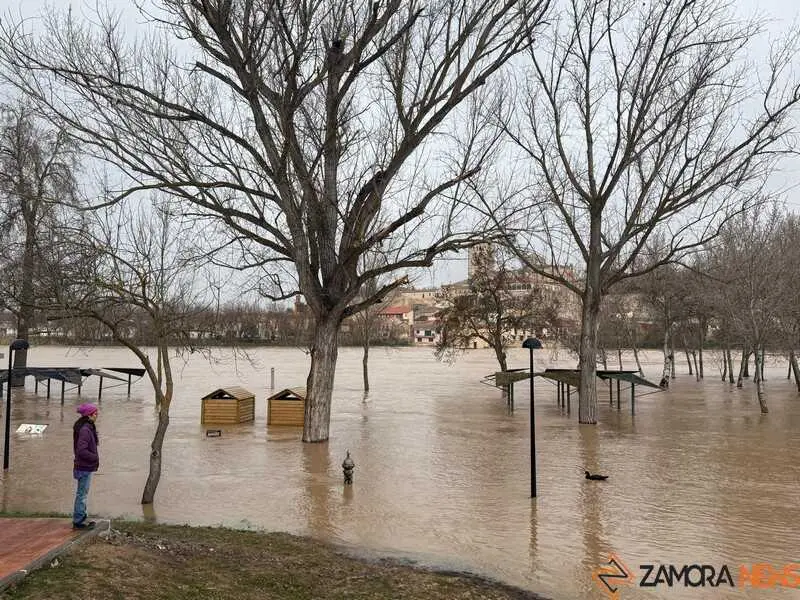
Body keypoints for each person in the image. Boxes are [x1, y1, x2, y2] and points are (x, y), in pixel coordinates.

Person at [72, 403, 99, 530]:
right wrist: (94, 457)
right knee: (82, 494)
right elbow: (81, 450)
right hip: (84, 467)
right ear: (89, 415)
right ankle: (79, 520)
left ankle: (81, 516)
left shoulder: (85, 427)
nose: (97, 416)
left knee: (82, 493)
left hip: (83, 467)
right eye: (95, 414)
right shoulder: (85, 430)